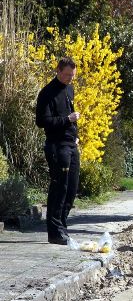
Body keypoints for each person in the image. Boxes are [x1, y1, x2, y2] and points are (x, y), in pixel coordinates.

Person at [35, 57, 80, 245]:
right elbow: (42, 121)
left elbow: (71, 117)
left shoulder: (69, 89)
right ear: (58, 70)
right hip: (56, 146)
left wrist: (77, 136)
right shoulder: (47, 93)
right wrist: (67, 119)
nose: (70, 78)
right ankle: (54, 232)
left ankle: (62, 225)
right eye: (68, 74)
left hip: (71, 144)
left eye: (73, 75)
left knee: (71, 188)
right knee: (59, 188)